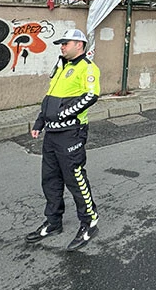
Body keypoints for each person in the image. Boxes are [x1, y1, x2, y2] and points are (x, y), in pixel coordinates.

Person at [27, 28, 102, 251]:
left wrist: (62, 115)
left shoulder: (87, 67)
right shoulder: (62, 66)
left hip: (71, 133)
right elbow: (50, 98)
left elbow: (91, 95)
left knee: (75, 178)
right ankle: (53, 222)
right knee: (50, 179)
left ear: (79, 45)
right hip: (52, 134)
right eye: (61, 44)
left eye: (65, 43)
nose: (62, 46)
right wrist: (40, 122)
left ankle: (89, 222)